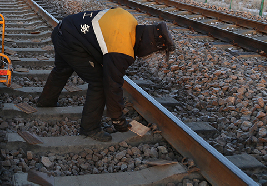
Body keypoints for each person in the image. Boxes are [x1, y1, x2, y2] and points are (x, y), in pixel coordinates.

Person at [36, 8, 175, 142]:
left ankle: (46, 101)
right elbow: (112, 84)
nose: (150, 54)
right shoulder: (122, 48)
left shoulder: (129, 18)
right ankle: (90, 128)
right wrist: (118, 119)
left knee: (62, 68)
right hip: (71, 42)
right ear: (149, 44)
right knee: (99, 83)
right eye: (154, 51)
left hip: (63, 29)